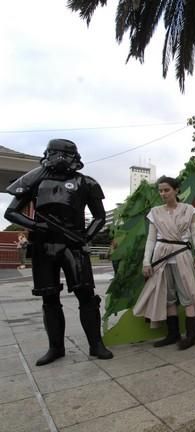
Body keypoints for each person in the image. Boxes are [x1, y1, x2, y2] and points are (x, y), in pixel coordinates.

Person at [4, 139, 113, 365]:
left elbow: (100, 216)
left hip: (74, 245)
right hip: (44, 246)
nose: (60, 158)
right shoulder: (35, 180)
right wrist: (36, 226)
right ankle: (56, 347)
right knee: (49, 297)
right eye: (56, 153)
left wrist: (86, 237)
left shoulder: (86, 183)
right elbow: (11, 212)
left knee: (87, 296)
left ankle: (96, 344)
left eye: (65, 154)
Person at [134, 176, 195, 350]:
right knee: (167, 296)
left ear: (176, 190)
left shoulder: (189, 210)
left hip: (182, 256)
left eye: (166, 190)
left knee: (188, 294)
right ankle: (173, 334)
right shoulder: (155, 212)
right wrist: (146, 262)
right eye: (160, 190)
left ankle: (191, 335)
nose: (163, 193)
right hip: (161, 258)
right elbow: (151, 240)